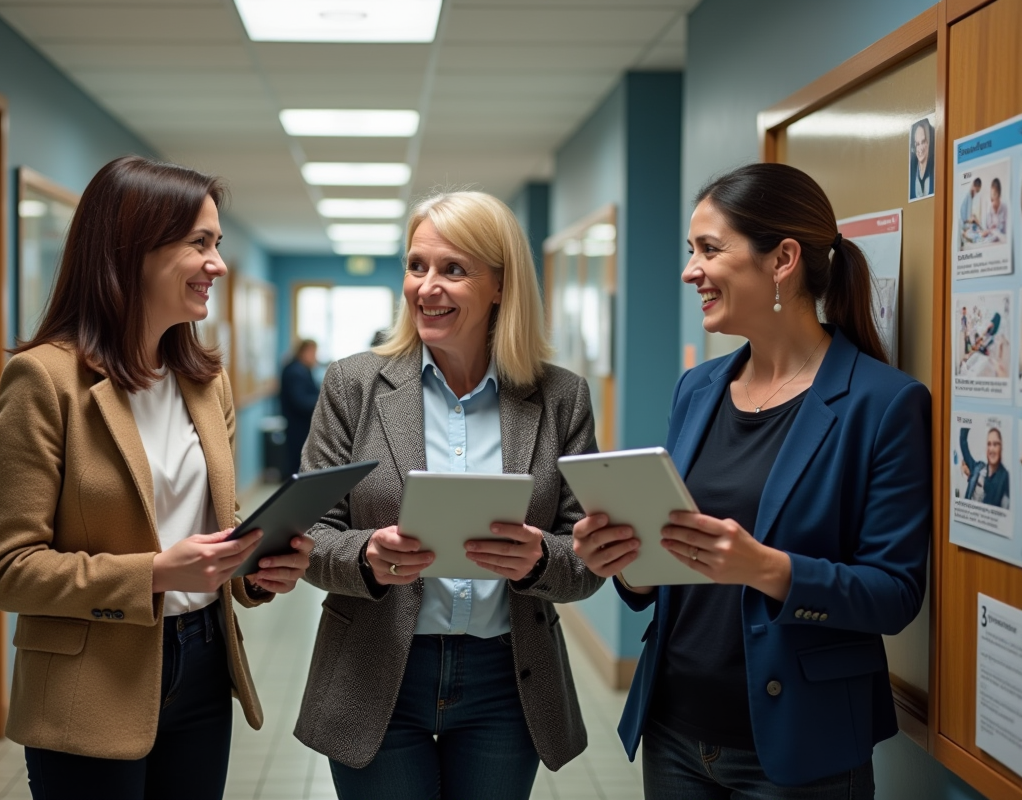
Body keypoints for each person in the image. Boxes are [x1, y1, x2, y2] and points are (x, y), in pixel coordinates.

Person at [572, 163, 931, 797]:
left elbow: (894, 593)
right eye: (691, 251)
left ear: (782, 260)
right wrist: (628, 564)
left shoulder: (883, 403)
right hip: (676, 730)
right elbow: (676, 557)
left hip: (799, 745)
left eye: (709, 250)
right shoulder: (698, 388)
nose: (690, 271)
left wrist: (767, 568)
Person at [0, 155, 313, 800]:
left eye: (217, 243)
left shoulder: (205, 382)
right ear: (131, 251)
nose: (217, 264)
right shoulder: (44, 381)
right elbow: (8, 569)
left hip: (205, 659)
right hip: (90, 682)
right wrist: (156, 573)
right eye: (199, 243)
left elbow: (212, 524)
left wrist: (254, 568)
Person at [293, 190, 605, 800]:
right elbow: (308, 534)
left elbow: (590, 554)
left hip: (507, 680)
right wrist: (367, 557)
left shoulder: (560, 397)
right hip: (376, 668)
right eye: (417, 265)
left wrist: (541, 559)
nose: (426, 287)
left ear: (500, 286)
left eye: (453, 269)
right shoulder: (354, 384)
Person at [279, 338, 321, 476]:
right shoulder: (296, 372)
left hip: (300, 424)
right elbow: (300, 401)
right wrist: (322, 402)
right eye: (313, 353)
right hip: (298, 425)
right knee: (297, 463)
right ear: (304, 352)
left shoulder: (302, 369)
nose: (315, 357)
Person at [960, 426, 1009, 508]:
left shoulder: (1004, 479)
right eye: (989, 444)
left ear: (1001, 447)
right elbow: (963, 443)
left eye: (995, 444)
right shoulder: (978, 468)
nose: (991, 449)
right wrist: (967, 422)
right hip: (968, 512)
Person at [909, 117, 934, 200]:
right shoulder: (912, 171)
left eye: (923, 142)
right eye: (917, 144)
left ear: (928, 142)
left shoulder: (935, 170)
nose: (920, 148)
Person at [982, 177, 1009, 243]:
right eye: (992, 194)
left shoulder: (1005, 208)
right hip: (991, 240)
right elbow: (987, 227)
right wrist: (989, 230)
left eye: (994, 194)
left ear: (999, 194)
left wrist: (996, 229)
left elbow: (1007, 230)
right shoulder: (989, 210)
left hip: (1002, 240)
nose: (992, 198)